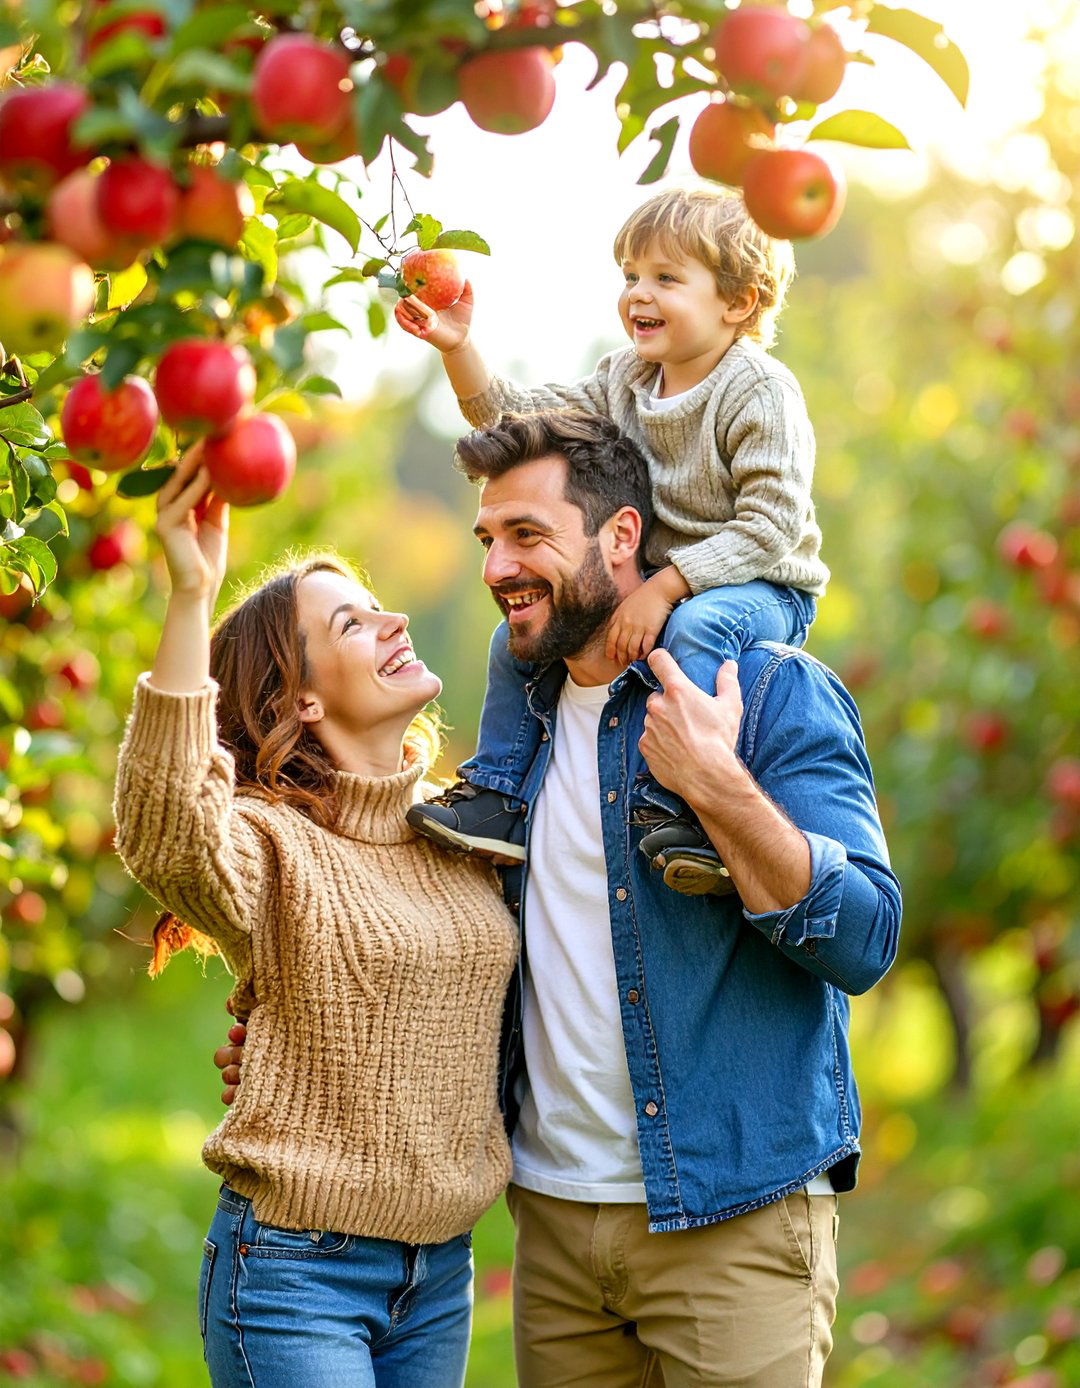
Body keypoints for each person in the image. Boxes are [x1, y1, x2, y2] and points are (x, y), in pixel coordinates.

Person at [220, 409, 901, 1386]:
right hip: (553, 1232)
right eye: (487, 538)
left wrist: (717, 787)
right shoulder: (510, 751)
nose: (498, 566)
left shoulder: (765, 690)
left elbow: (868, 934)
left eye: (528, 535)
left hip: (731, 1216)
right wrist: (286, 1039)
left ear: (621, 536)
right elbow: (420, 941)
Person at [113, 448, 518, 1388]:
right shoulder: (274, 847)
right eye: (353, 621)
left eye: (377, 605)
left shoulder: (458, 835)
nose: (395, 619)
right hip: (298, 1274)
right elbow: (169, 829)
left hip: (440, 1272)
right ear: (300, 695)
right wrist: (188, 594)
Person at [396, 185, 828, 892]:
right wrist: (460, 347)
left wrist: (666, 585)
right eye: (630, 276)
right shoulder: (627, 379)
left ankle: (690, 813)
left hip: (759, 583)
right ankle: (499, 799)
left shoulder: (759, 391)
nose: (638, 294)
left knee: (694, 632)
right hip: (665, 582)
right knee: (513, 644)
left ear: (739, 302)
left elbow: (771, 524)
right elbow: (520, 419)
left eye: (665, 277)